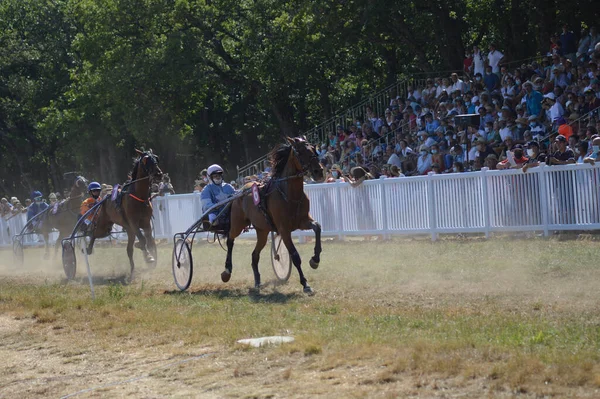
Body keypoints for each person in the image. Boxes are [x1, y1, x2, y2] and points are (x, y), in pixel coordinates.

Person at [200, 164, 236, 229]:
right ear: (210, 177)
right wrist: (219, 207)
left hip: (229, 213)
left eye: (219, 175)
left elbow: (236, 198)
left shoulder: (229, 187)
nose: (218, 177)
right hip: (216, 214)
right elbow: (206, 205)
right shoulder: (207, 189)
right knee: (213, 218)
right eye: (215, 176)